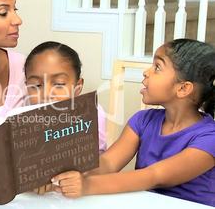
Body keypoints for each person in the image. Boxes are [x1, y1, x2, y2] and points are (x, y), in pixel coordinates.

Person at [51, 39, 215, 207]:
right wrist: (75, 174)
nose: (146, 72)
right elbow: (108, 163)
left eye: (157, 67)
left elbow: (154, 176)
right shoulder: (142, 120)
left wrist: (87, 185)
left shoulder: (210, 138)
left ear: (182, 89)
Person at [23, 41, 107, 194]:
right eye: (36, 85)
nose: (46, 94)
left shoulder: (92, 114)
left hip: (78, 194)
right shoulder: (22, 116)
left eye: (59, 84)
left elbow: (100, 162)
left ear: (77, 87)